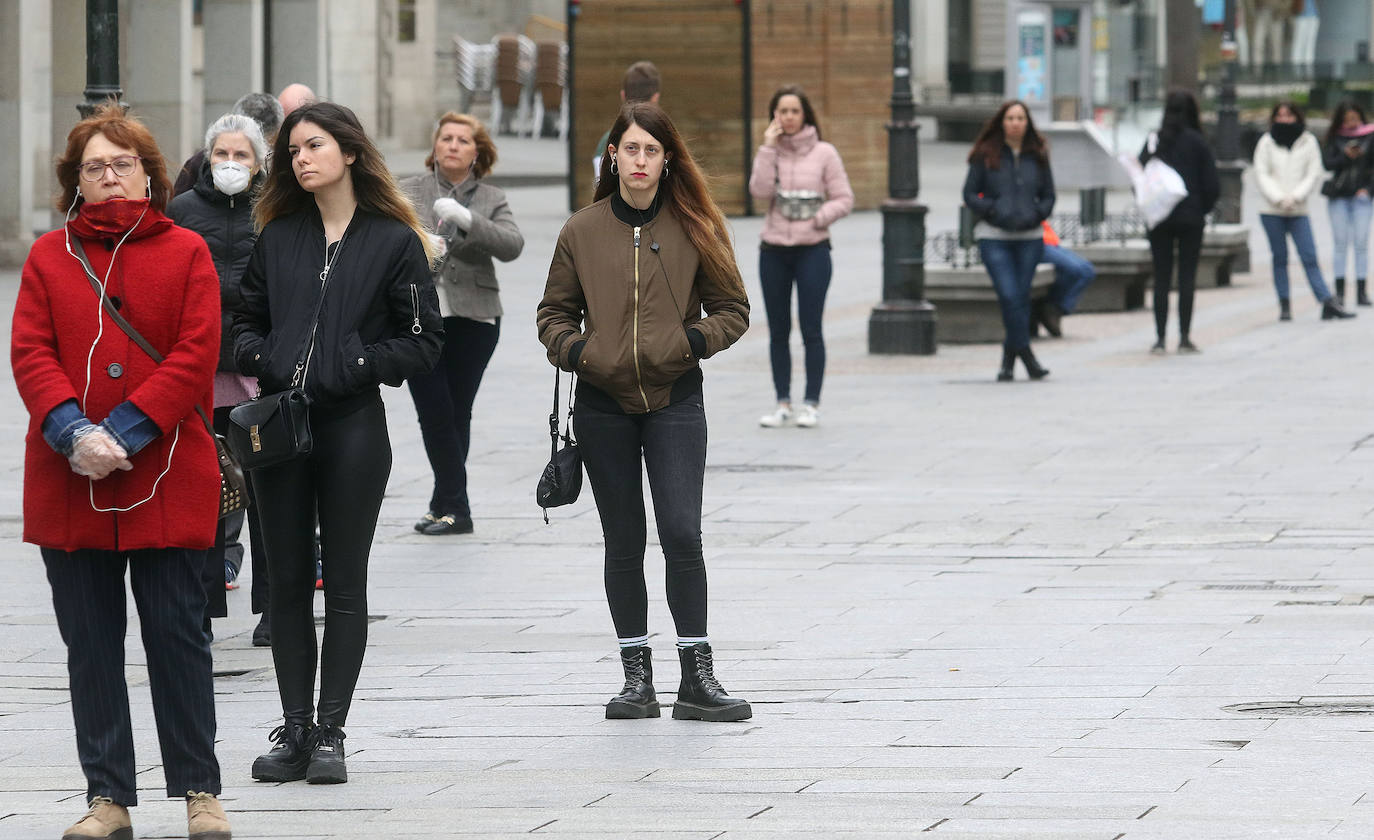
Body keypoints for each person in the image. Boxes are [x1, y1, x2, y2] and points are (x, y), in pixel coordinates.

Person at [11, 105, 231, 840]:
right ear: (74, 182)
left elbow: (196, 353)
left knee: (178, 636)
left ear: (149, 173)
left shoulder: (189, 252)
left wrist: (125, 430)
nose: (110, 177)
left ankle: (201, 790)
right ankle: (108, 798)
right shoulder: (47, 257)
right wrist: (73, 431)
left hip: (165, 471)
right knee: (92, 648)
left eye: (123, 164)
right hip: (70, 478)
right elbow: (30, 352)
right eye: (94, 167)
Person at [232, 101, 443, 784]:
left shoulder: (393, 239)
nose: (301, 158)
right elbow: (243, 324)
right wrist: (269, 356)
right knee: (287, 583)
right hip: (280, 429)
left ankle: (331, 733)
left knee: (344, 582)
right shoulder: (278, 235)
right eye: (292, 150)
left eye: (313, 145)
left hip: (353, 426)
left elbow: (423, 340)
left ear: (349, 152)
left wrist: (356, 364)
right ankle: (293, 732)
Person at [538, 102, 753, 722]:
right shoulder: (581, 229)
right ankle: (637, 677)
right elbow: (552, 313)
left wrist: (687, 345)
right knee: (623, 540)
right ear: (613, 156)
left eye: (651, 150)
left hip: (676, 400)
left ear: (666, 160)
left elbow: (733, 309)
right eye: (629, 149)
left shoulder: (696, 226)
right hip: (603, 403)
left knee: (683, 534)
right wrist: (581, 352)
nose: (639, 160)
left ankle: (698, 674)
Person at [168, 112, 273, 646]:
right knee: (204, 489)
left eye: (242, 155)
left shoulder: (276, 210)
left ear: (259, 163)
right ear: (207, 158)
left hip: (258, 372)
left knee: (267, 491)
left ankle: (275, 607)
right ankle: (202, 610)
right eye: (221, 154)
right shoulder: (182, 210)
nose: (231, 164)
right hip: (200, 371)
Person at [400, 113, 524, 536]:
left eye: (462, 140)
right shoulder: (409, 190)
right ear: (434, 147)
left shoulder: (491, 196)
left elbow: (512, 245)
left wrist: (468, 220)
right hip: (419, 317)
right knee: (434, 411)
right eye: (445, 138)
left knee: (457, 413)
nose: (452, 145)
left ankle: (445, 503)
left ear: (478, 152)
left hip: (475, 318)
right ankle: (455, 506)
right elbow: (382, 238)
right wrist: (419, 242)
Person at [748, 84, 853, 428]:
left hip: (813, 250)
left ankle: (811, 402)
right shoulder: (771, 152)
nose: (788, 117)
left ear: (805, 114)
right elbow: (759, 192)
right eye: (782, 111)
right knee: (778, 330)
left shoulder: (825, 153)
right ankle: (782, 402)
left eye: (794, 111)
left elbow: (844, 198)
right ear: (774, 116)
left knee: (811, 328)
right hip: (774, 250)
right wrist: (766, 149)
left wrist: (818, 218)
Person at [962, 100, 1056, 381]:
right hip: (995, 237)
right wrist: (991, 209)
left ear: (1027, 123)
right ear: (1001, 122)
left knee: (1021, 298)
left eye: (1021, 118)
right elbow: (969, 194)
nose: (1016, 123)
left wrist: (1037, 213)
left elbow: (1049, 195)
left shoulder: (1038, 154)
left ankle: (1008, 361)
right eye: (1010, 118)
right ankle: (1026, 355)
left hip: (1030, 237)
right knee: (1009, 295)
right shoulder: (985, 154)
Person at [1254, 100, 1354, 322]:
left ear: (1297, 117)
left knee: (1309, 255)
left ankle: (1326, 301)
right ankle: (1284, 304)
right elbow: (1261, 174)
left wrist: (1296, 197)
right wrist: (1279, 198)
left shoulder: (1308, 141)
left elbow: (1313, 173)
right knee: (1279, 257)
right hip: (1272, 209)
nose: (1284, 120)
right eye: (1280, 116)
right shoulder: (1266, 142)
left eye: (1288, 116)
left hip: (1299, 209)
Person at [1139, 90, 1220, 353]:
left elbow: (1140, 180)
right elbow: (1212, 185)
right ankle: (1184, 337)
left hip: (1159, 218)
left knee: (1161, 277)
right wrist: (1200, 209)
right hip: (1190, 218)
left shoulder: (1154, 141)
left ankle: (1160, 338)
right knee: (1187, 276)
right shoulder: (1197, 142)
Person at [174, 91, 284, 197]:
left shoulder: (281, 166)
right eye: (221, 153)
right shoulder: (197, 165)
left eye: (241, 155)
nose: (230, 162)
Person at [1322, 98, 1374, 307]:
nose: (1351, 123)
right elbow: (1327, 164)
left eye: (1354, 118)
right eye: (1347, 119)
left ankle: (1362, 292)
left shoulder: (1370, 136)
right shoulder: (1334, 137)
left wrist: (1368, 190)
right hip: (1339, 197)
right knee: (1340, 245)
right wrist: (1345, 155)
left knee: (1361, 244)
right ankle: (1340, 292)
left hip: (1362, 197)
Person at [592, 61, 660, 179]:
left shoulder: (607, 140)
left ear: (623, 95)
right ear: (655, 98)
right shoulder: (664, 136)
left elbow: (600, 184)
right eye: (631, 148)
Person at [1036, 221, 1096, 337]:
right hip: (1036, 243)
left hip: (1048, 241)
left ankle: (1053, 307)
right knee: (1081, 271)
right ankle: (1052, 307)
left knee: (1087, 270)